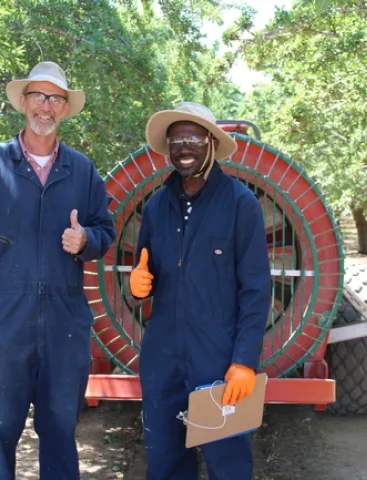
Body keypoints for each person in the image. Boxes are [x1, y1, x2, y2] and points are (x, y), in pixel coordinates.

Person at [0, 61, 116, 480]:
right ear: (23, 102)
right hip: (1, 324)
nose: (46, 106)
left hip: (65, 324)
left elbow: (105, 230)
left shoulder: (83, 171)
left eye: (55, 98)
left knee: (60, 429)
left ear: (64, 109)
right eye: (38, 96)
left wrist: (86, 242)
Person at [129, 102, 271, 479]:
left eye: (193, 137)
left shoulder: (241, 204)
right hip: (162, 357)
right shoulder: (157, 206)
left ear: (211, 142)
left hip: (219, 357)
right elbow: (146, 269)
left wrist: (244, 361)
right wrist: (138, 284)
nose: (184, 147)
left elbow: (256, 289)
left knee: (227, 461)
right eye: (176, 140)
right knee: (165, 459)